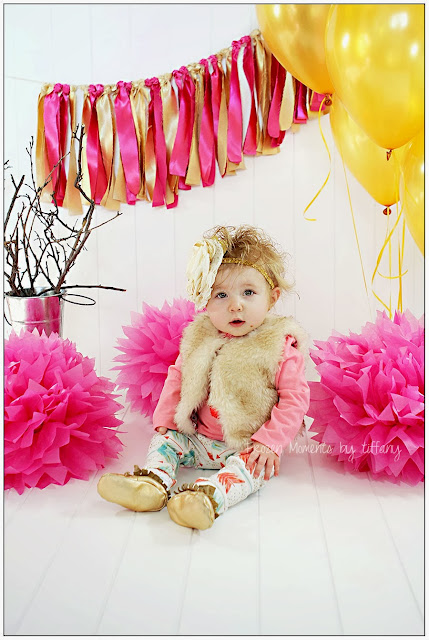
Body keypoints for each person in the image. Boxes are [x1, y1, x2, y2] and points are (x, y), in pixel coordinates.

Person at [98, 225, 310, 530]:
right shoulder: (199, 335)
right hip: (198, 439)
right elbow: (178, 375)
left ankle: (208, 499)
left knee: (251, 470)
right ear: (205, 301)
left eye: (249, 293)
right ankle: (153, 483)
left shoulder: (278, 346)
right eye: (221, 295)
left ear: (272, 297)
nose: (235, 305)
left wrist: (269, 442)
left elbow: (295, 399)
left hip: (248, 444)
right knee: (166, 441)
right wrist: (166, 418)